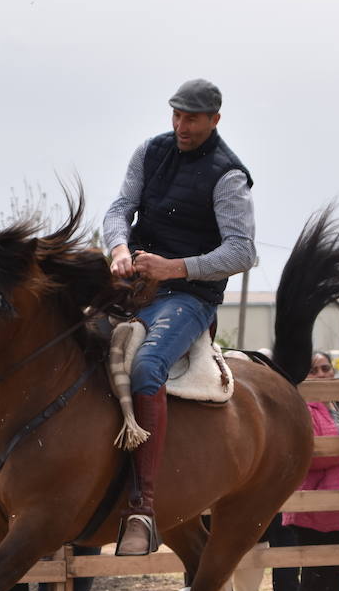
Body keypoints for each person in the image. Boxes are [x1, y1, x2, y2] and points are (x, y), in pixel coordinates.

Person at [102, 78, 256, 556]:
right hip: (137, 283)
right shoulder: (150, 152)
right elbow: (119, 208)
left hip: (189, 297)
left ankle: (143, 505)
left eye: (191, 117)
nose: (181, 125)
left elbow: (243, 250)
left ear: (215, 119)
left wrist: (176, 267)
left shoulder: (228, 175)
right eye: (176, 115)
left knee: (147, 367)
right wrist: (119, 247)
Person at [280, 356, 339, 591]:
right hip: (313, 505)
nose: (321, 375)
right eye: (313, 370)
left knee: (337, 576)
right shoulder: (302, 407)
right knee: (313, 578)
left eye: (325, 369)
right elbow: (315, 454)